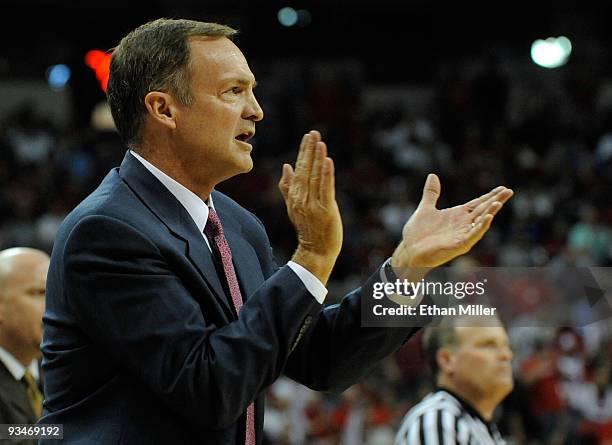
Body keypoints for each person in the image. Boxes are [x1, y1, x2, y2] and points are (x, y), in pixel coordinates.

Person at [40, 18, 513, 444]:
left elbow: (319, 358)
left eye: (252, 91)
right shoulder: (108, 231)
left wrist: (407, 268)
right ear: (164, 109)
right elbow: (210, 389)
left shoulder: (236, 224)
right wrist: (311, 258)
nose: (257, 110)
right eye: (233, 92)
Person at [395, 315, 514, 445]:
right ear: (447, 360)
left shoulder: (483, 429)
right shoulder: (437, 421)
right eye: (488, 345)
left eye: (505, 345)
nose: (506, 355)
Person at [0, 248, 49, 434]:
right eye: (40, 292)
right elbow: (7, 435)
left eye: (56, 293)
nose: (54, 306)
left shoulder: (61, 372)